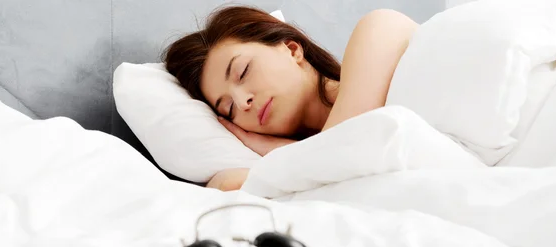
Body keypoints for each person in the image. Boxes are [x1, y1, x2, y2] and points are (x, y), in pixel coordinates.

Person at [163, 5, 418, 191]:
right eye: (229, 109)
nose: (243, 103)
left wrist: (279, 152)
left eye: (243, 72)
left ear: (292, 49)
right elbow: (223, 187)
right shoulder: (309, 166)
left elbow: (349, 149)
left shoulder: (379, 28)